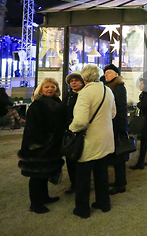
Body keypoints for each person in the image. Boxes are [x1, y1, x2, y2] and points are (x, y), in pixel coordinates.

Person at [70, 65, 116, 219]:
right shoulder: (108, 90)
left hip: (89, 141)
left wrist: (71, 128)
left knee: (82, 177)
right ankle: (104, 203)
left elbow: (81, 121)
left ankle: (82, 209)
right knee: (101, 174)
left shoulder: (84, 93)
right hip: (106, 138)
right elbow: (113, 113)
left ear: (84, 78)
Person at [17, 78, 65, 214]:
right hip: (37, 147)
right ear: (41, 89)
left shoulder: (57, 103)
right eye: (47, 87)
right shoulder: (37, 105)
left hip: (52, 146)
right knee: (36, 175)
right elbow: (33, 128)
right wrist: (46, 141)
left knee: (45, 172)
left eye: (53, 87)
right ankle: (35, 203)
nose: (50, 89)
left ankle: (44, 196)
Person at [103, 64, 129, 195]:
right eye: (105, 72)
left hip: (117, 126)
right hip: (111, 125)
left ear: (116, 75)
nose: (106, 74)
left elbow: (121, 109)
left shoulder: (118, 87)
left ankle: (120, 184)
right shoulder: (108, 86)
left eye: (109, 72)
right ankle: (119, 181)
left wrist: (122, 128)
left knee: (118, 156)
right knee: (115, 156)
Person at [61, 71, 85, 194]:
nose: (73, 83)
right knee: (70, 158)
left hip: (82, 131)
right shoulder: (68, 96)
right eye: (71, 81)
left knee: (81, 158)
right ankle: (73, 184)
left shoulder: (85, 95)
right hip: (69, 132)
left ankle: (82, 183)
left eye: (76, 80)